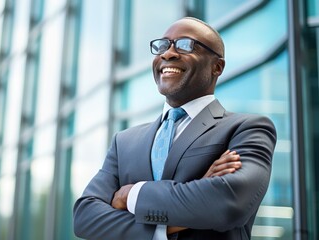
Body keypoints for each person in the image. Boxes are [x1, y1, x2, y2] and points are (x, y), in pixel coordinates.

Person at [73, 16, 276, 240]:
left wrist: (130, 195)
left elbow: (228, 203)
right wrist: (188, 201)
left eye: (185, 45)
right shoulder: (124, 142)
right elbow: (85, 218)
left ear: (217, 67)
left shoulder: (246, 129)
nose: (168, 53)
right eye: (162, 45)